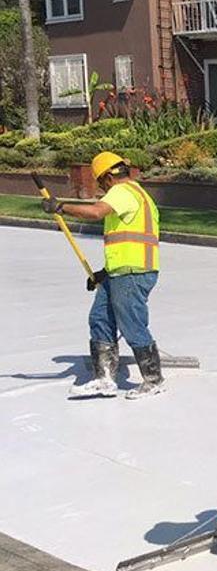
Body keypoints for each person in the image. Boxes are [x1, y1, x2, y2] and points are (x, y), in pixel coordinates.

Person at [44, 151, 165, 400]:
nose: (101, 188)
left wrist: (61, 207)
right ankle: (104, 379)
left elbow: (97, 212)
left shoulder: (122, 192)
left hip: (132, 273)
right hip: (121, 272)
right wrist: (103, 274)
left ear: (109, 176)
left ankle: (153, 380)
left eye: (101, 182)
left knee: (132, 325)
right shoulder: (139, 195)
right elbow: (126, 241)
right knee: (100, 318)